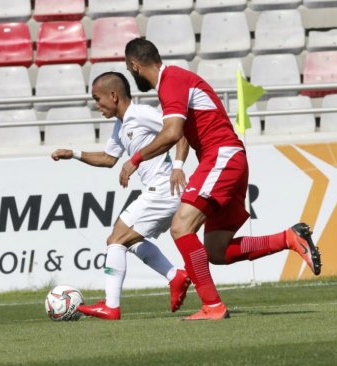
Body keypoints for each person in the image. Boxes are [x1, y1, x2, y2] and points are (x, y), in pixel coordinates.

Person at [121, 38, 322, 320]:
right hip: (227, 159)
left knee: (180, 227)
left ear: (134, 65)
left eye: (130, 70)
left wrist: (134, 159)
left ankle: (213, 306)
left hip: (222, 157)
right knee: (217, 250)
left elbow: (171, 133)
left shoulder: (171, 81)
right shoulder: (177, 80)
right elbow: (184, 132)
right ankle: (289, 238)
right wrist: (179, 164)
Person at [51, 72, 191, 320]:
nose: (97, 105)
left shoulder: (140, 113)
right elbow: (108, 159)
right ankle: (174, 276)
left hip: (163, 189)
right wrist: (72, 153)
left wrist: (178, 166)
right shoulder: (121, 125)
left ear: (113, 95)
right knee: (129, 241)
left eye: (98, 98)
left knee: (115, 240)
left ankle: (112, 306)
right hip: (157, 191)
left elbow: (180, 131)